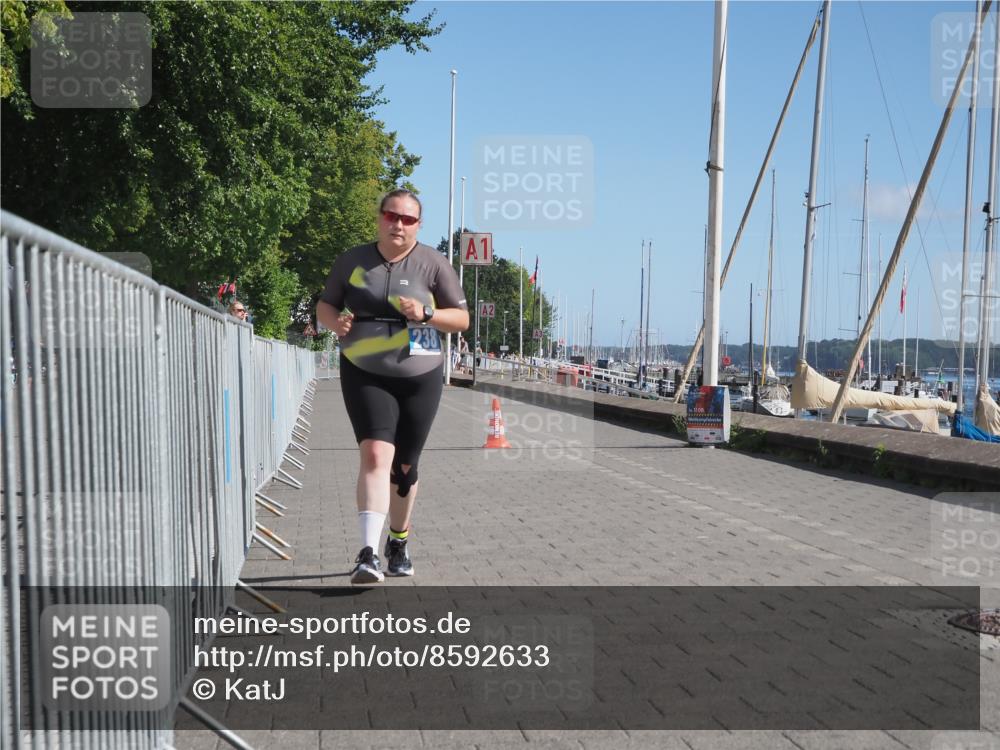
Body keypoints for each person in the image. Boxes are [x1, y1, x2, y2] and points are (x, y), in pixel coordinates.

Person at [316, 189, 469, 583]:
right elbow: (326, 304)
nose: (398, 224)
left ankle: (397, 541)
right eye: (391, 216)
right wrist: (335, 323)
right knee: (374, 455)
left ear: (419, 224)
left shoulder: (434, 264)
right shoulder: (353, 261)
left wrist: (428, 312)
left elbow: (461, 319)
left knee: (403, 468)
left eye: (408, 219)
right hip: (364, 368)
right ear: (380, 217)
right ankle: (367, 554)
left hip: (420, 374)